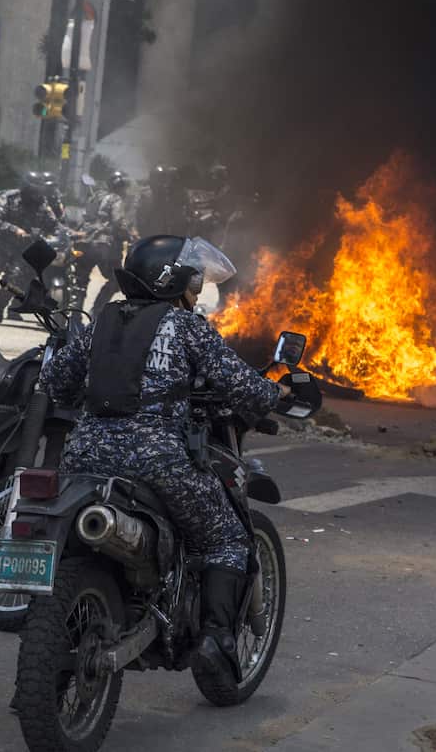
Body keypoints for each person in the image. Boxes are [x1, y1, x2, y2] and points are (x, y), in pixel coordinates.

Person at [39, 234, 289, 687]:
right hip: (158, 459)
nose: (196, 290)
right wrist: (279, 391)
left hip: (84, 456)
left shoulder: (101, 321)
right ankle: (216, 643)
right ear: (172, 280)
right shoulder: (186, 326)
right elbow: (246, 389)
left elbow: (57, 383)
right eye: (193, 281)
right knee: (226, 540)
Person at [0, 177, 61, 324]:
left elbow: (53, 223)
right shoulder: (9, 197)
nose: (37, 195)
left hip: (22, 249)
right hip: (1, 244)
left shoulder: (42, 203)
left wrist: (66, 234)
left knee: (15, 280)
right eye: (34, 191)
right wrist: (15, 230)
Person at [82, 170, 137, 319]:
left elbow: (86, 216)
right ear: (119, 187)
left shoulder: (95, 196)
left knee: (80, 283)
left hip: (86, 243)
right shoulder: (116, 200)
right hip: (106, 247)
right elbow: (118, 222)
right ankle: (96, 311)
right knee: (117, 279)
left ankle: (74, 317)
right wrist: (130, 236)